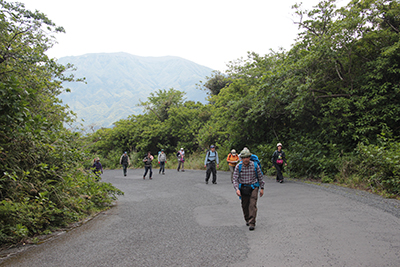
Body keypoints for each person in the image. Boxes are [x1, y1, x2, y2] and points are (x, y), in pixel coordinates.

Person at [232, 148, 264, 231]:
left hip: (254, 186)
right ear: (241, 158)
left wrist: (262, 188)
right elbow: (235, 179)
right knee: (245, 205)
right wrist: (237, 189)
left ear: (250, 157)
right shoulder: (238, 167)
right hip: (243, 187)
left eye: (247, 157)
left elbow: (260, 177)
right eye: (244, 158)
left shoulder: (255, 165)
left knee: (252, 204)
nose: (246, 159)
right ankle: (247, 218)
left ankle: (252, 222)